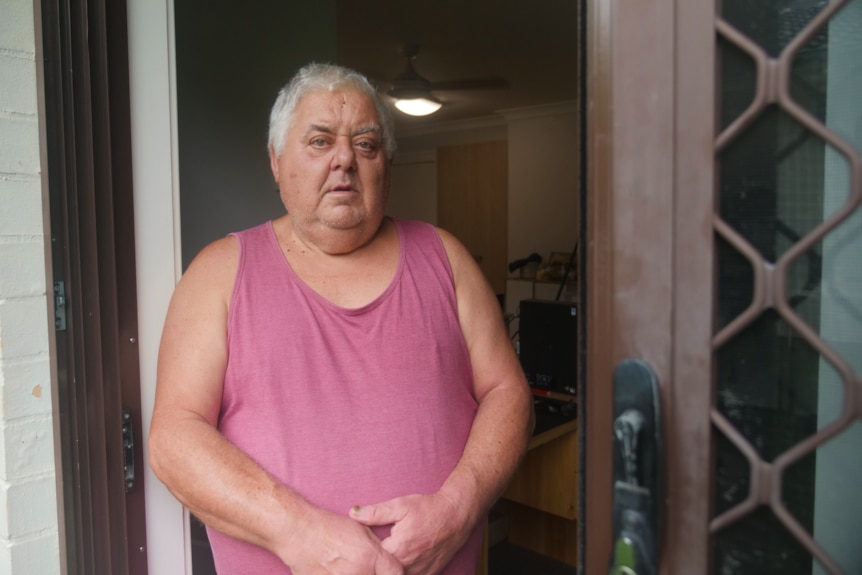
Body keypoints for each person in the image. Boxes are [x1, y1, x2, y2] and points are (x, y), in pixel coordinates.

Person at [148, 62, 534, 575]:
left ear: (387, 167)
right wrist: (298, 531)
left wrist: (458, 509)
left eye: (367, 145)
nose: (345, 161)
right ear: (276, 161)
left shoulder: (446, 257)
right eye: (319, 141)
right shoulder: (218, 273)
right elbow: (174, 439)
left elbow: (509, 394)